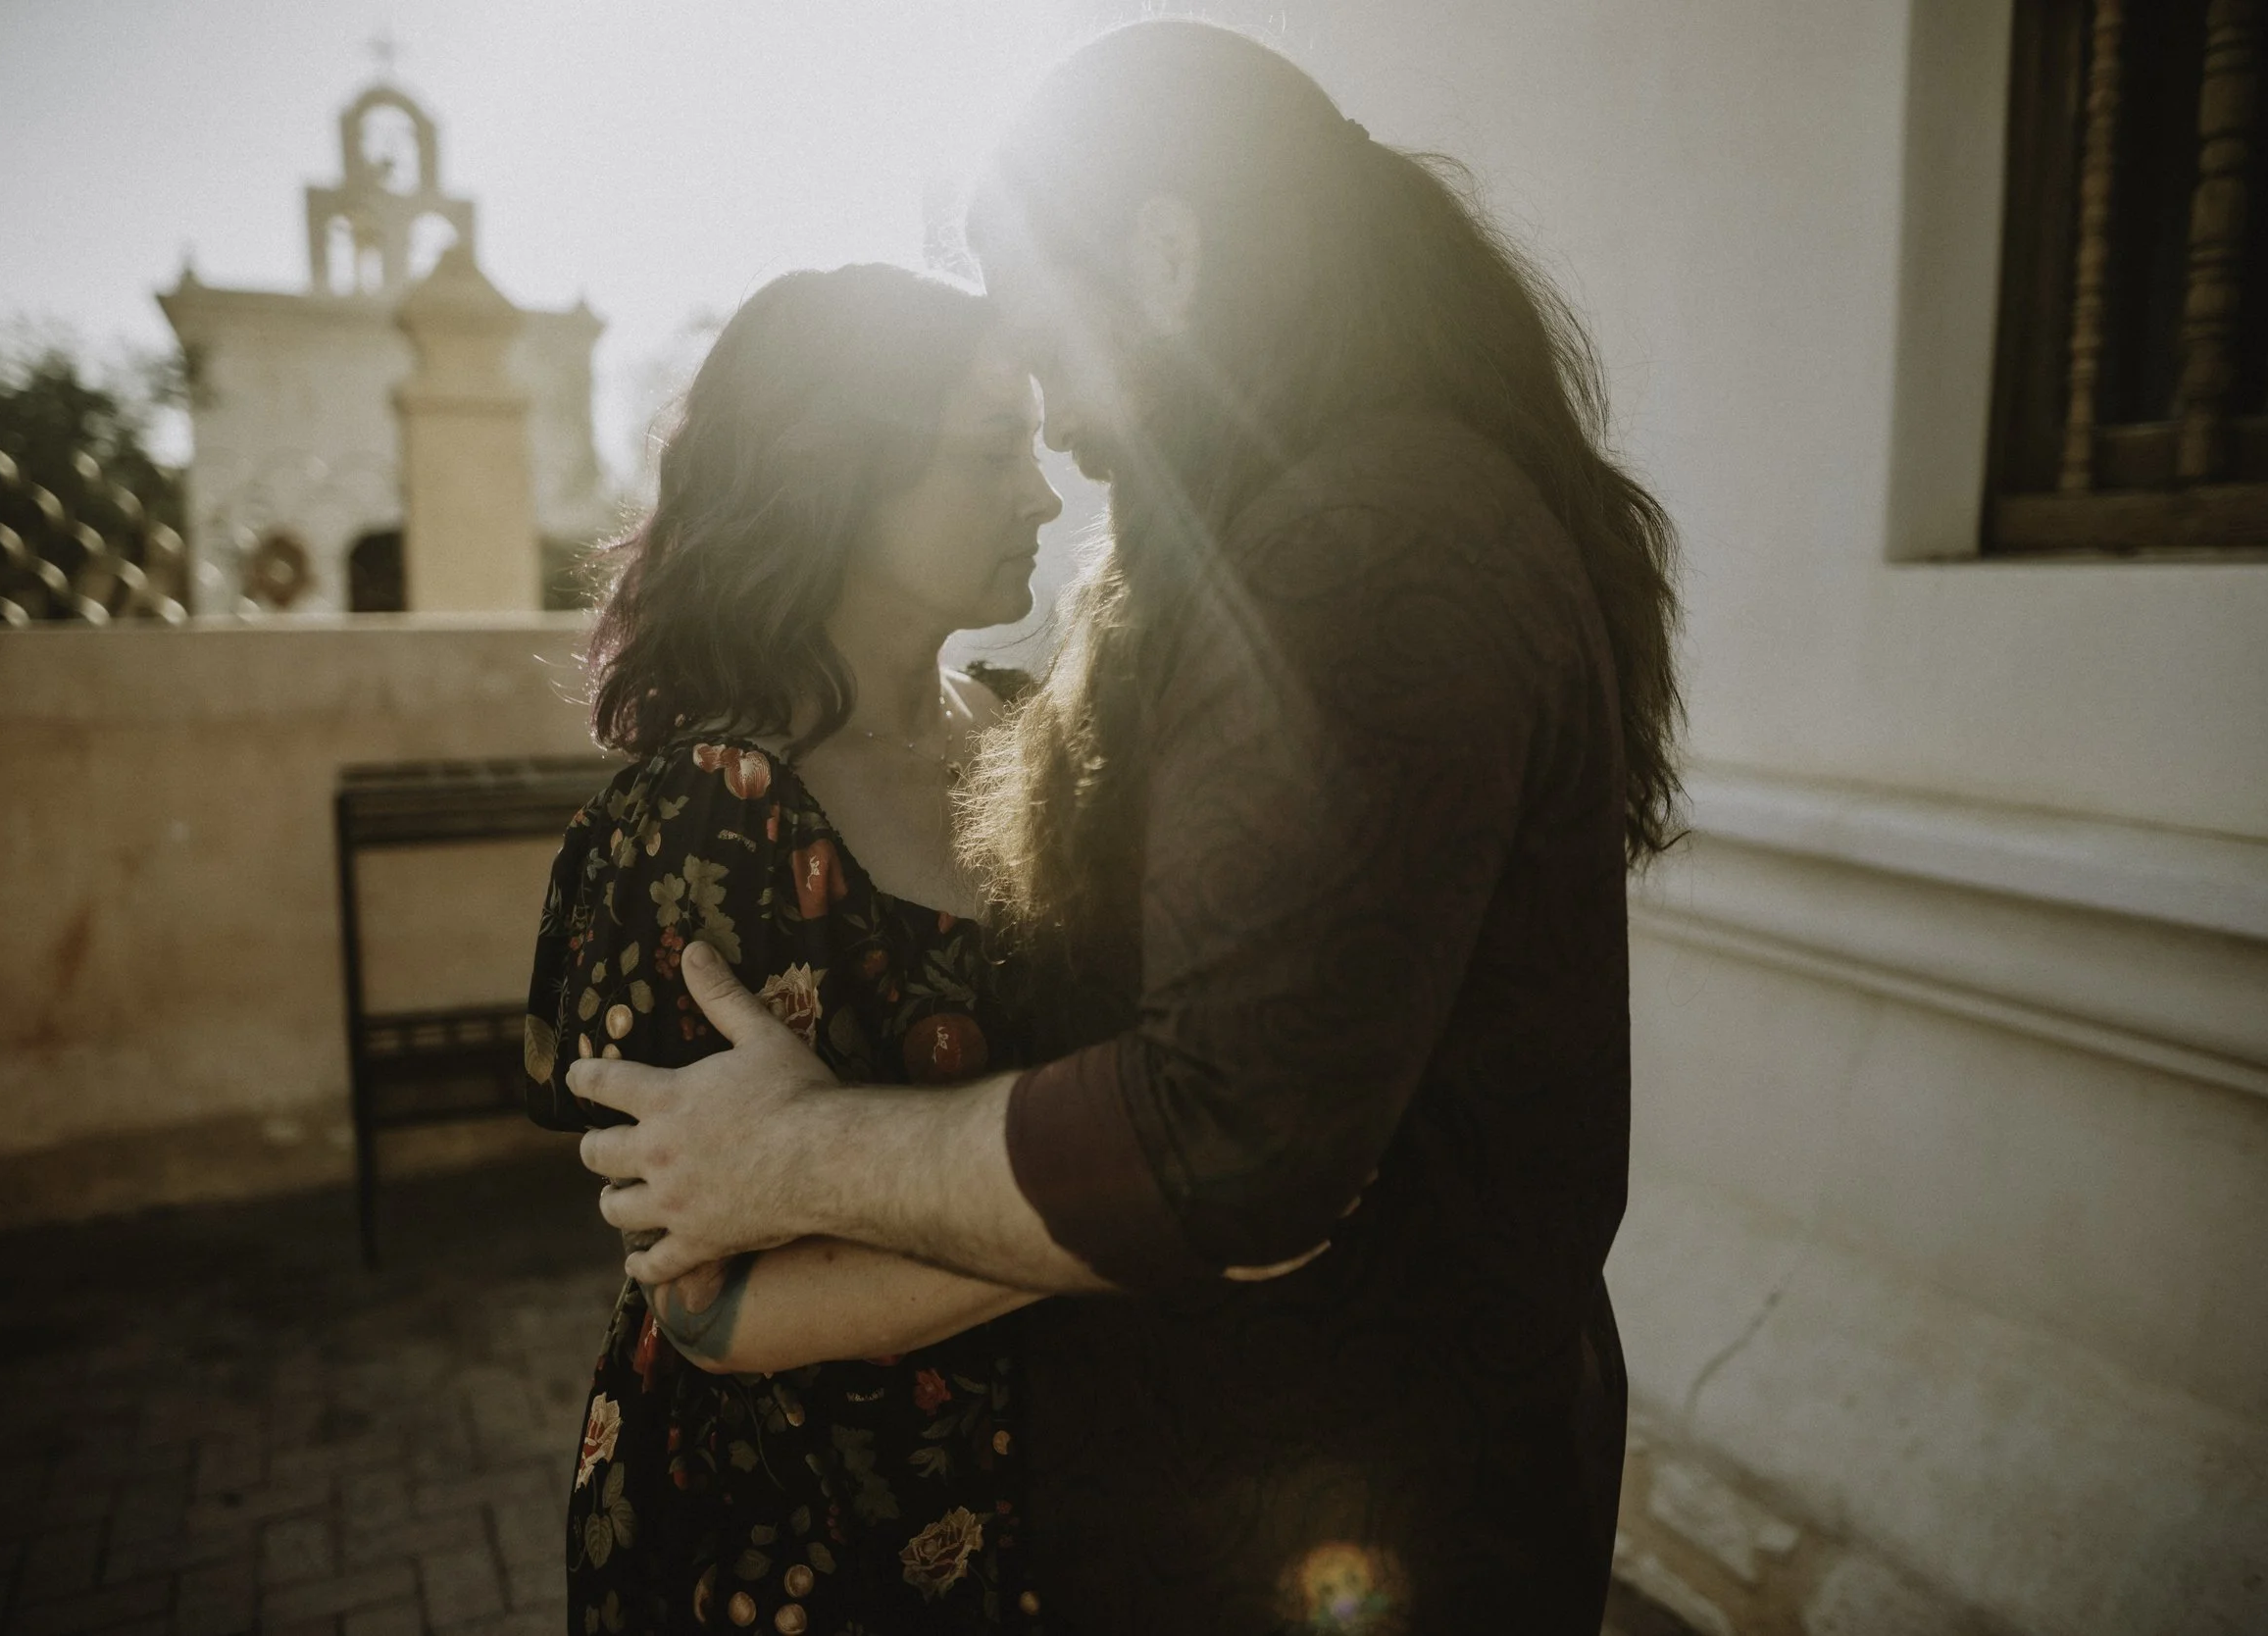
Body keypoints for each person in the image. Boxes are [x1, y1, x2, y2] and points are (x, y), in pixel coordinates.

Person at [571, 21, 1682, 1634]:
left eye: (1020, 288)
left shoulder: (1365, 547)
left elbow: (1229, 1145)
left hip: (1355, 1523)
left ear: (1163, 256)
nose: (1023, 367)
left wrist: (793, 1149)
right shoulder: (1289, 528)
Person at [523, 263, 1064, 1633]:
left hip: (1064, 1503)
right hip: (788, 1543)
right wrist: (1138, 1223)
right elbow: (709, 1303)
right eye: (995, 450)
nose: (1045, 497)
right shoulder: (699, 822)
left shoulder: (1047, 741)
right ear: (839, 474)